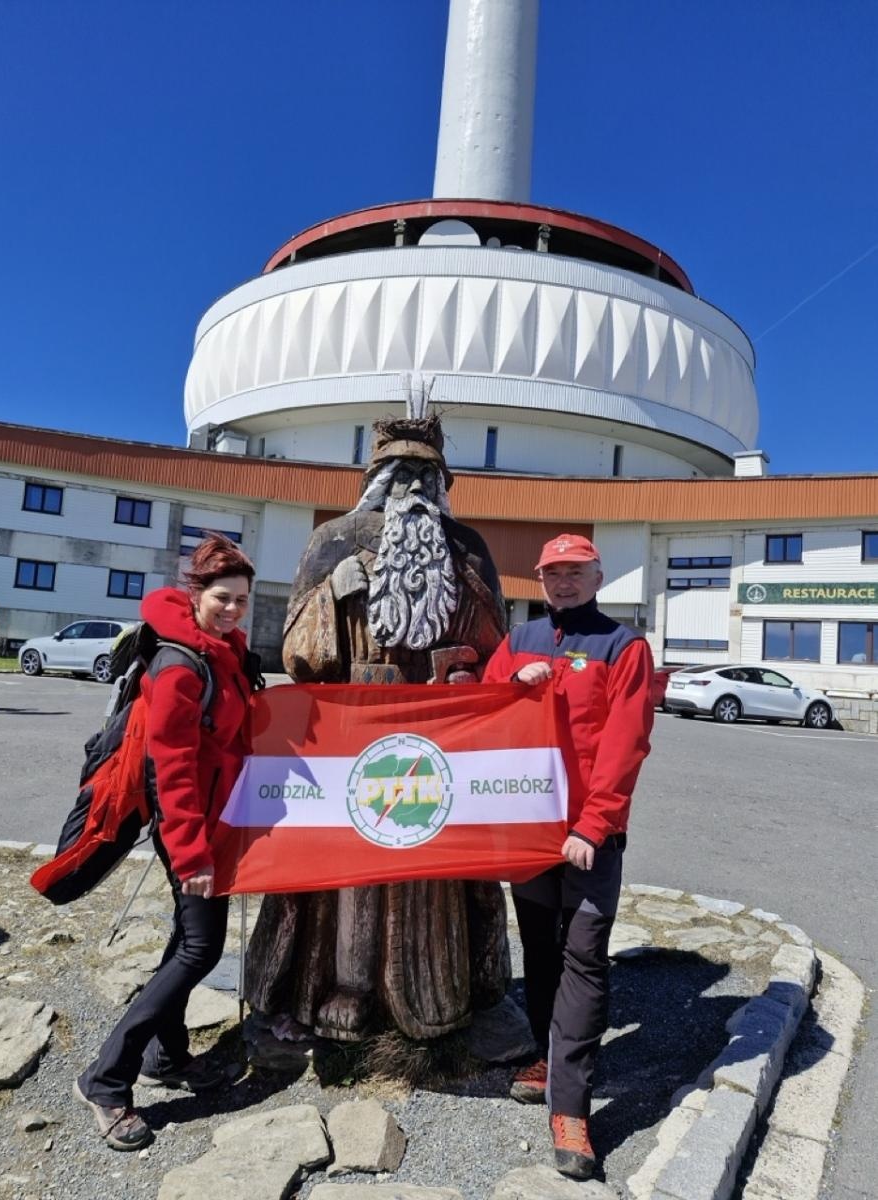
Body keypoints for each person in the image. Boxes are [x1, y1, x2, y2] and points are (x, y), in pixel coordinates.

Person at [245, 414, 510, 1043]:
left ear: (443, 482)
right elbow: (298, 655)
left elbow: (494, 642)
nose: (414, 485)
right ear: (376, 478)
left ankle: (438, 989)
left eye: (427, 473)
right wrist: (333, 594)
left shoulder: (468, 547)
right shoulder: (333, 540)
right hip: (352, 736)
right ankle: (345, 985)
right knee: (351, 871)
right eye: (401, 471)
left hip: (440, 738)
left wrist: (465, 644)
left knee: (434, 864)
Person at [74, 535, 257, 1151]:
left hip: (213, 825)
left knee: (186, 941)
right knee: (199, 950)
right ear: (195, 595)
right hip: (190, 834)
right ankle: (106, 1079)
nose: (233, 610)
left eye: (241, 601)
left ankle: (167, 1055)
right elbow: (170, 770)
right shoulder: (181, 666)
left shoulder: (222, 651)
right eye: (222, 598)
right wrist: (192, 855)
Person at [482, 533, 654, 1180]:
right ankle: (547, 1057)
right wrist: (509, 680)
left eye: (576, 571)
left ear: (597, 575)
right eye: (554, 573)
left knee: (584, 957)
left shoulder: (624, 646)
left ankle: (571, 1105)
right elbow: (482, 708)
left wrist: (595, 823)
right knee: (541, 952)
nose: (564, 582)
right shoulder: (520, 639)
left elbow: (625, 743)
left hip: (589, 837)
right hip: (529, 832)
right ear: (540, 579)